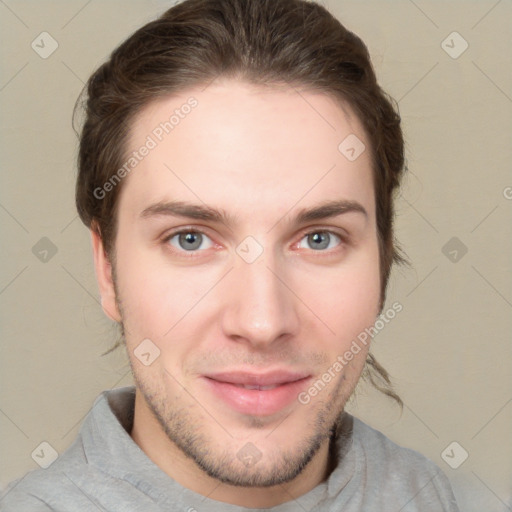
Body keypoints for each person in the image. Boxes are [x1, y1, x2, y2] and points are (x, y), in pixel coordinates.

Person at [1, 0, 460, 510]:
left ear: (382, 257)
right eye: (190, 238)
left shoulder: (426, 494)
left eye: (319, 238)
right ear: (107, 269)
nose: (262, 323)